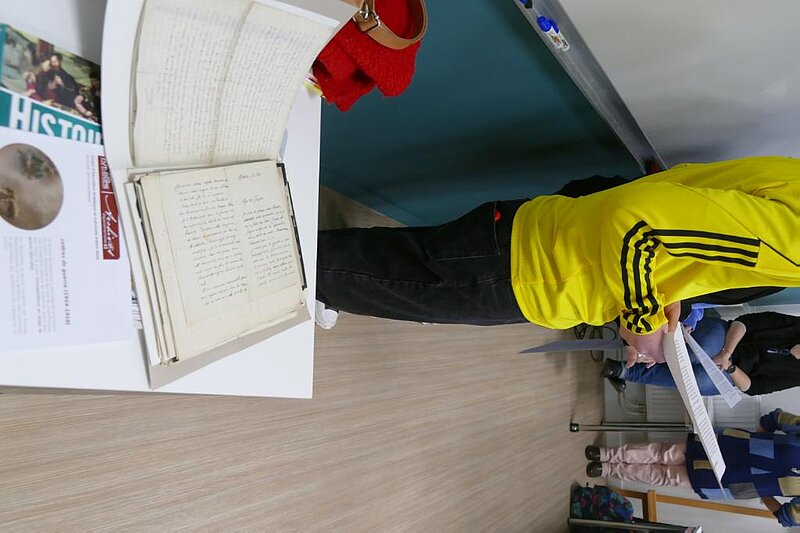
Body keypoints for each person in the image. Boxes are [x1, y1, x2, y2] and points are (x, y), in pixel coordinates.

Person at [317, 156, 800, 364]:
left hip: (541, 244)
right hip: (538, 269)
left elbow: (686, 209)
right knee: (360, 277)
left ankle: (316, 276)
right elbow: (639, 223)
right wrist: (642, 319)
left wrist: (665, 294)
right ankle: (297, 277)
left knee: (384, 265)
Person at [584, 408, 800, 528]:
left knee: (663, 476)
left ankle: (607, 469)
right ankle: (606, 455)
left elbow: (787, 517)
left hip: (730, 482)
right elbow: (776, 418)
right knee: (663, 452)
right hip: (730, 445)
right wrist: (754, 442)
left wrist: (762, 492)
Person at [604, 311, 800, 396]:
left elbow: (753, 387)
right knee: (699, 351)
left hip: (731, 371)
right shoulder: (795, 326)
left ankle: (623, 370)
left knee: (699, 381)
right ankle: (641, 351)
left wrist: (730, 367)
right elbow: (743, 323)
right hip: (727, 337)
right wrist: (727, 352)